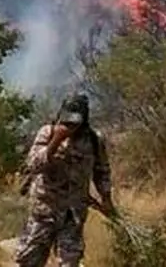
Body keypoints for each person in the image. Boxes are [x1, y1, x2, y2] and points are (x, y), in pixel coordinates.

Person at [14, 93, 114, 267]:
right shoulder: (47, 132)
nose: (71, 125)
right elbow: (33, 164)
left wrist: (106, 199)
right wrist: (55, 141)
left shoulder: (94, 140)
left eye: (75, 122)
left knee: (70, 262)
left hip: (73, 214)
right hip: (45, 210)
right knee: (29, 260)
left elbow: (102, 171)